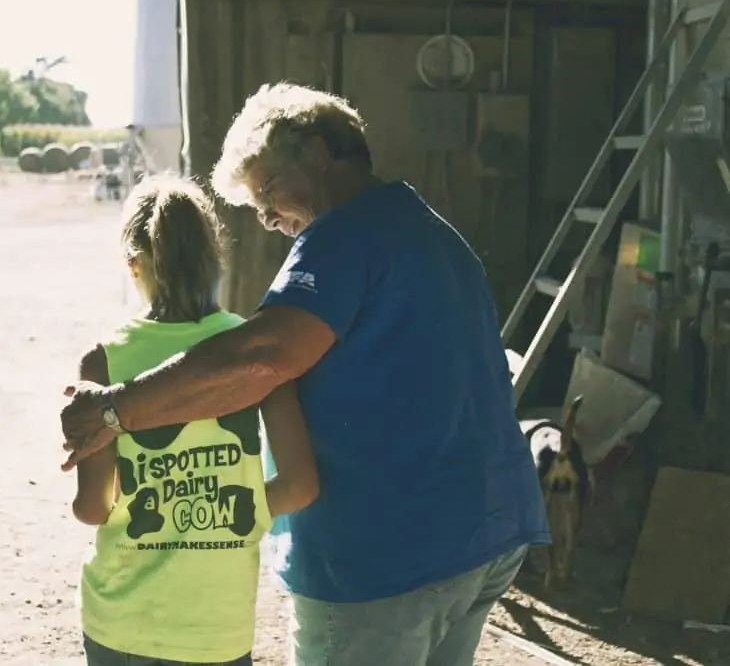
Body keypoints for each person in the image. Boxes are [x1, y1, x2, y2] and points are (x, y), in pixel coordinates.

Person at [60, 83, 550, 665]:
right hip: (482, 535)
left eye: (267, 191)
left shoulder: (345, 235)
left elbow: (261, 357)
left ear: (318, 155)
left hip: (391, 556)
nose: (267, 219)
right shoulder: (433, 233)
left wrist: (115, 409)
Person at [69, 174, 320, 666]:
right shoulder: (255, 346)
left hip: (122, 622)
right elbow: (300, 484)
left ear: (133, 264)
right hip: (215, 626)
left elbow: (93, 509)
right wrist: (231, 513)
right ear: (213, 257)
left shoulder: (103, 362)